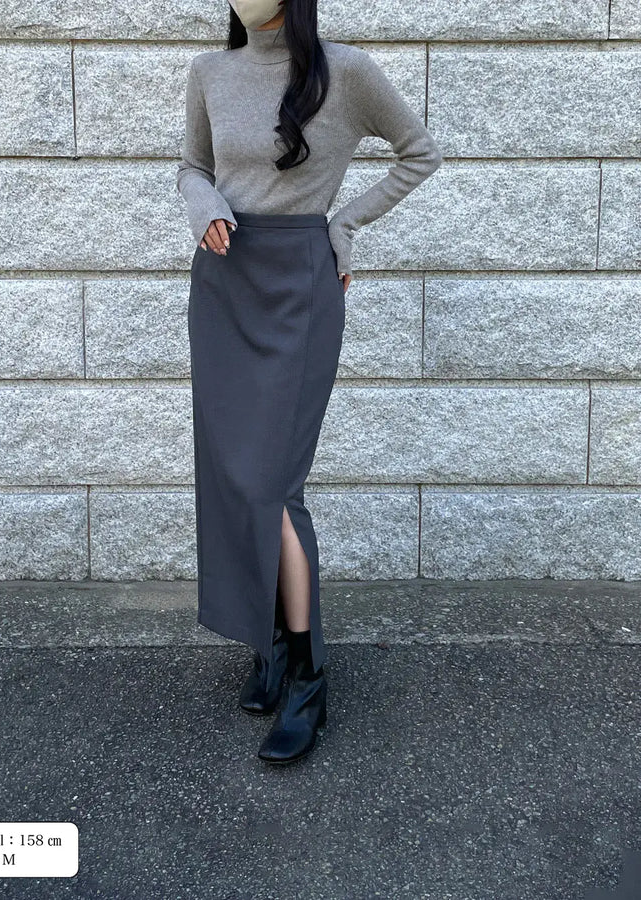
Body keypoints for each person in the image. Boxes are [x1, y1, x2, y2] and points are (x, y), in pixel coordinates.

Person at [176, 0, 443, 765]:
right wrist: (204, 202)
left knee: (273, 485)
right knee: (234, 477)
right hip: (225, 284)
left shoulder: (344, 70)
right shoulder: (210, 71)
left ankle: (307, 675)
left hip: (300, 286)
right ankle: (269, 644)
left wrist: (345, 223)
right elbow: (193, 166)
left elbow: (419, 152)